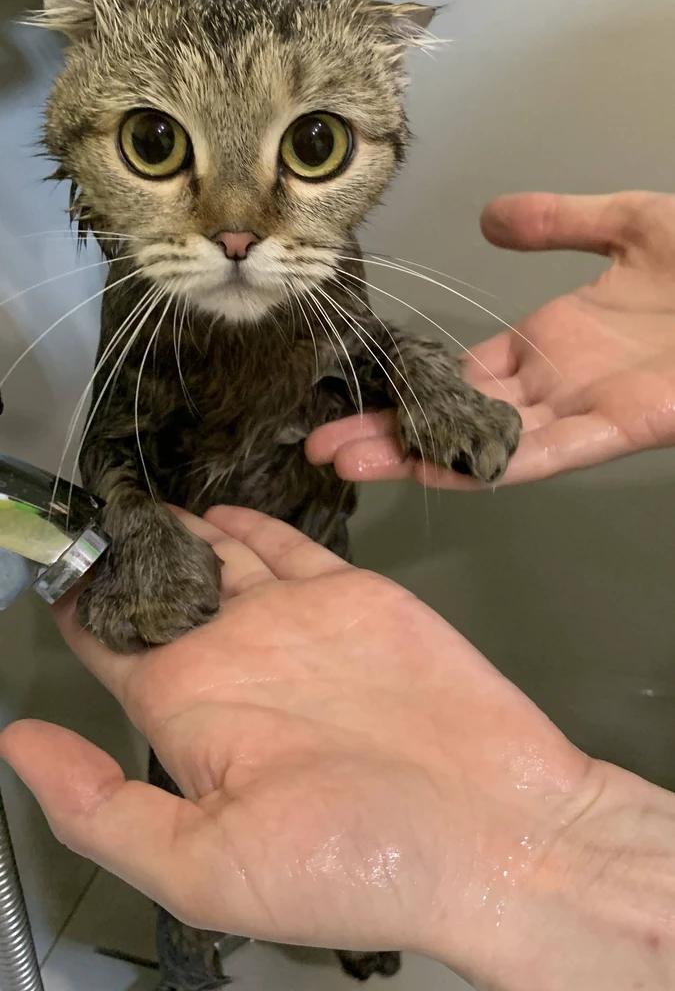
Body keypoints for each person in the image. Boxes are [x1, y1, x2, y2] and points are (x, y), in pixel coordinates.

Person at [3, 190, 675, 990]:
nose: (237, 227)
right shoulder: (146, 276)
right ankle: (188, 970)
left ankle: (371, 915)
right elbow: (114, 441)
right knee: (187, 778)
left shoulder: (317, 254)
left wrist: (427, 385)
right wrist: (140, 534)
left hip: (314, 549)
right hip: (189, 580)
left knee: (368, 743)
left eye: (311, 143)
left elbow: (361, 352)